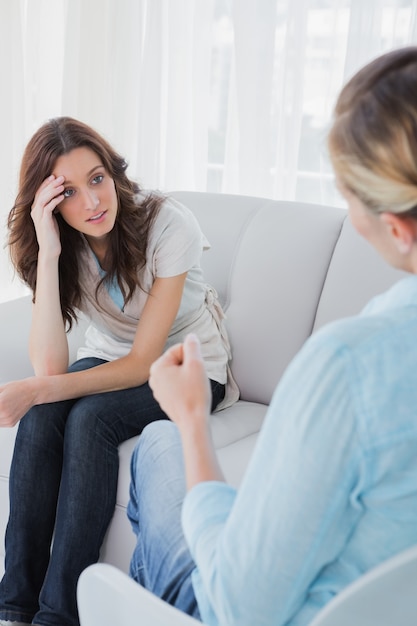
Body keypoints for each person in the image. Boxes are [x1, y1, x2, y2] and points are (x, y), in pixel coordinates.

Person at [126, 45, 417, 626]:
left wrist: (191, 422)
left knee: (159, 447)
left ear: (395, 227)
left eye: (347, 193)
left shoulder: (349, 365)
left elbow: (240, 608)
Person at [0, 116, 238, 626]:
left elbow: (142, 361)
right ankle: (14, 608)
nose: (92, 201)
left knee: (89, 420)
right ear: (47, 203)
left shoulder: (168, 224)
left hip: (187, 365)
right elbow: (50, 364)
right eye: (68, 192)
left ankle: (58, 616)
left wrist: (39, 388)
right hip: (110, 355)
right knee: (43, 417)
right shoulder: (61, 242)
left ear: (114, 173)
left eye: (97, 178)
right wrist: (48, 249)